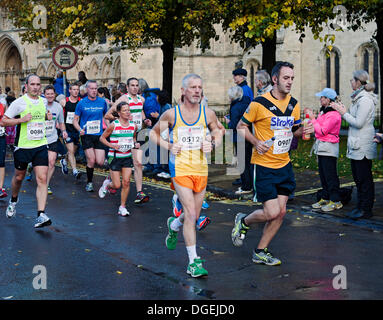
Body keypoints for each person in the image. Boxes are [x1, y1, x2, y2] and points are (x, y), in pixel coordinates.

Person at [233, 61, 314, 265]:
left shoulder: (293, 104)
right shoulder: (259, 103)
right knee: (272, 212)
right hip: (264, 165)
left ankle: (260, 250)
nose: (290, 82)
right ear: (275, 79)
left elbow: (292, 131)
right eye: (286, 78)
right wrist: (256, 142)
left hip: (284, 164)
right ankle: (243, 221)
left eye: (292, 78)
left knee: (281, 212)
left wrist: (301, 131)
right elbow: (240, 126)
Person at [150, 73, 223, 278]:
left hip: (201, 169)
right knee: (191, 214)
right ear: (183, 91)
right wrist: (169, 145)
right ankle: (193, 262)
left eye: (199, 87)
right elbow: (153, 134)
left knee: (194, 215)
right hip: (180, 168)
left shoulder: (207, 113)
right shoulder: (172, 115)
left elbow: (219, 131)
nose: (197, 91)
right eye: (192, 87)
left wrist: (213, 142)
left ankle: (173, 225)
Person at [1, 74, 52, 228]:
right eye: (33, 84)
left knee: (42, 178)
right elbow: (3, 121)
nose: (36, 87)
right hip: (23, 146)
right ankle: (13, 200)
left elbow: (41, 116)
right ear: (27, 86)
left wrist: (46, 116)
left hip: (41, 145)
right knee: (18, 177)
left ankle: (41, 214)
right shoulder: (19, 103)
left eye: (38, 84)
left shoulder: (44, 101)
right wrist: (20, 120)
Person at [332, 70, 377, 220]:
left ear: (358, 82)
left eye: (353, 79)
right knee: (358, 178)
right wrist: (342, 108)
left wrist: (343, 113)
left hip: (363, 145)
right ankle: (360, 206)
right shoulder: (358, 98)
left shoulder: (365, 100)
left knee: (364, 179)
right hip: (357, 144)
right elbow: (351, 116)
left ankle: (365, 209)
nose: (350, 81)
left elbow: (358, 122)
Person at [105, 77, 151, 204]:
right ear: (127, 87)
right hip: (124, 135)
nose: (135, 87)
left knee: (138, 163)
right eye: (132, 85)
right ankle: (111, 179)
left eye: (137, 85)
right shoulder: (123, 99)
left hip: (137, 134)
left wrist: (145, 120)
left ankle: (139, 193)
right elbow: (108, 114)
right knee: (122, 163)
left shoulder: (142, 99)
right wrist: (124, 119)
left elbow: (140, 112)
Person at [99, 101, 139, 216]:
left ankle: (122, 207)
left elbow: (134, 138)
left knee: (126, 182)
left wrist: (135, 144)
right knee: (117, 185)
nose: (127, 112)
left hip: (127, 157)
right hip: (115, 157)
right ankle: (107, 184)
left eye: (128, 110)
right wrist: (112, 145)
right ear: (119, 113)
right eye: (125, 110)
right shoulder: (114, 125)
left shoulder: (133, 126)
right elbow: (102, 138)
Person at [306, 88, 342, 212]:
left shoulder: (334, 115)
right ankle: (326, 197)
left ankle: (336, 200)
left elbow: (321, 130)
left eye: (322, 97)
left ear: (328, 99)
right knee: (323, 175)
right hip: (322, 147)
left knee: (330, 175)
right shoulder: (324, 112)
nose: (320, 99)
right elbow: (318, 129)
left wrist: (313, 118)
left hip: (329, 148)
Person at [73, 80, 108, 192]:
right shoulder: (81, 103)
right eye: (92, 88)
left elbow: (106, 117)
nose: (94, 91)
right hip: (86, 135)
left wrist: (109, 128)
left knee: (101, 162)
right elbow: (75, 121)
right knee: (91, 160)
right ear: (87, 89)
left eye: (95, 88)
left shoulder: (102, 102)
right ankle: (89, 182)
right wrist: (80, 130)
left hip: (99, 135)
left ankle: (106, 179)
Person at [225, 86, 253, 195]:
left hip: (239, 137)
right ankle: (250, 184)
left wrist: (228, 121)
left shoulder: (236, 107)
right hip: (248, 135)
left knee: (242, 163)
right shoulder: (247, 104)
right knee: (248, 161)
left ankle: (246, 187)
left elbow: (234, 125)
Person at [42, 85, 67, 195]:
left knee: (51, 162)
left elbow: (61, 122)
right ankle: (41, 181)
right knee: (42, 164)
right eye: (48, 94)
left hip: (52, 138)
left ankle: (46, 185)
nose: (50, 96)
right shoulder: (40, 105)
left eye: (52, 94)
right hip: (40, 139)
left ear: (54, 94)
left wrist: (64, 131)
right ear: (44, 94)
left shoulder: (58, 107)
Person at [61, 82, 82, 179]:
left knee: (73, 150)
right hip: (67, 129)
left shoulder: (81, 102)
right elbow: (59, 115)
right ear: (69, 90)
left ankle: (64, 160)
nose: (76, 91)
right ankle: (75, 170)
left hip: (76, 130)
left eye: (77, 89)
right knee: (71, 150)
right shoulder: (64, 101)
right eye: (74, 89)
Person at [0, 99, 7, 198]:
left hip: (1, 136)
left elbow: (5, 120)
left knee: (1, 162)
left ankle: (0, 188)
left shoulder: (2, 105)